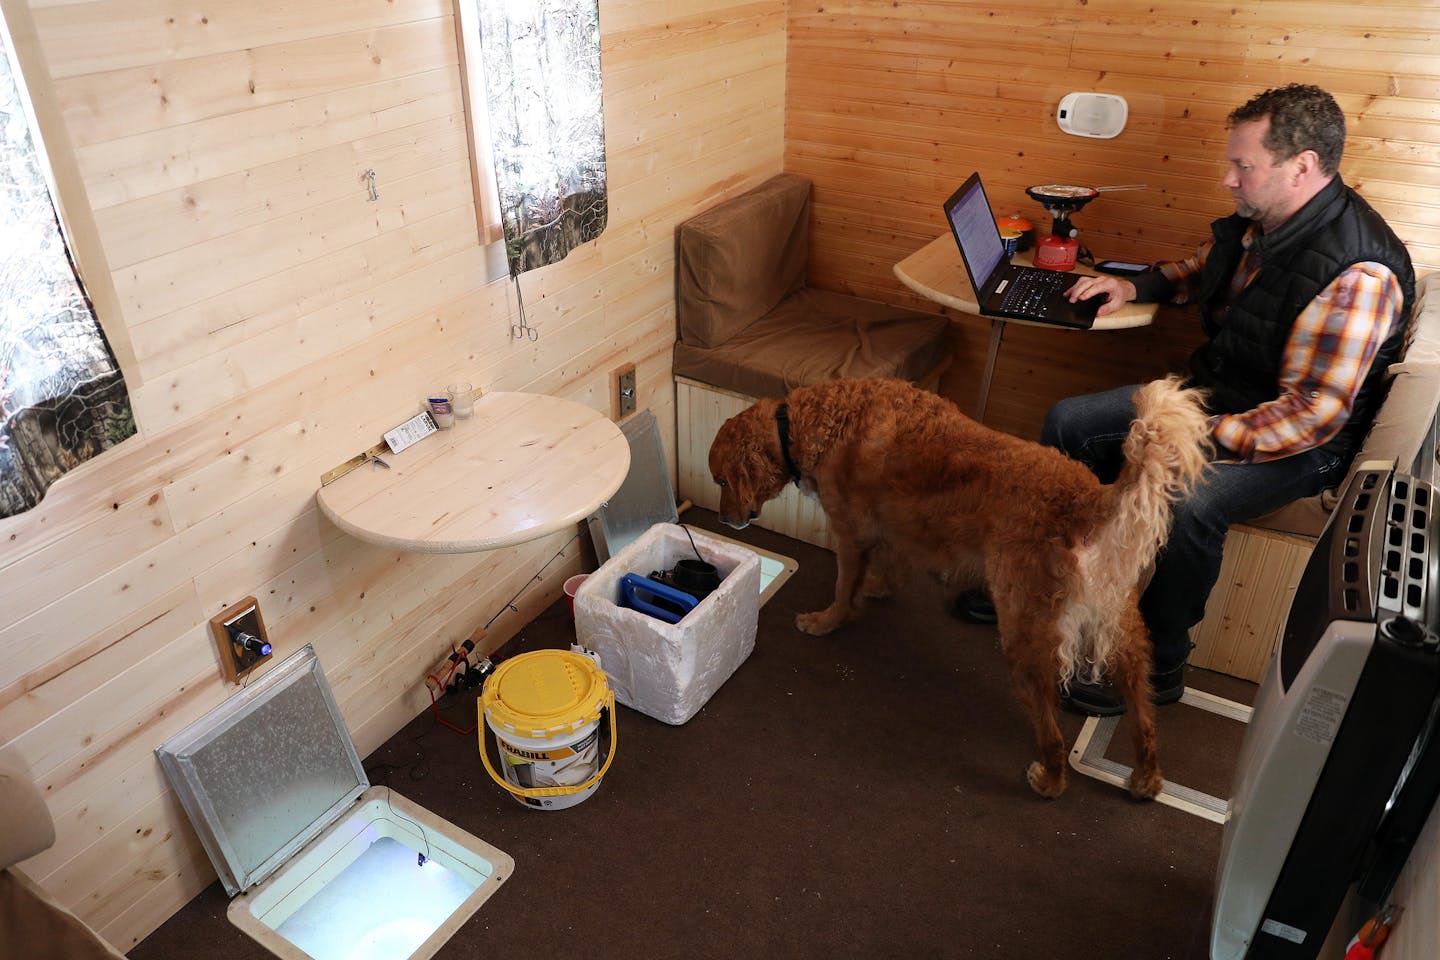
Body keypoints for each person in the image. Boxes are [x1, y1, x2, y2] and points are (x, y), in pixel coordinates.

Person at [964, 84, 1415, 716]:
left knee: (1188, 502)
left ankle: (1158, 658)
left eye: (1243, 166)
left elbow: (1311, 414)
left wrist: (1181, 437)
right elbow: (1206, 266)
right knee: (1068, 421)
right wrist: (1135, 285)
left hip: (1301, 441)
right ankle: (1038, 581)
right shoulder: (1270, 220)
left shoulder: (1356, 276)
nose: (1227, 178)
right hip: (1215, 396)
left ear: (1302, 166)